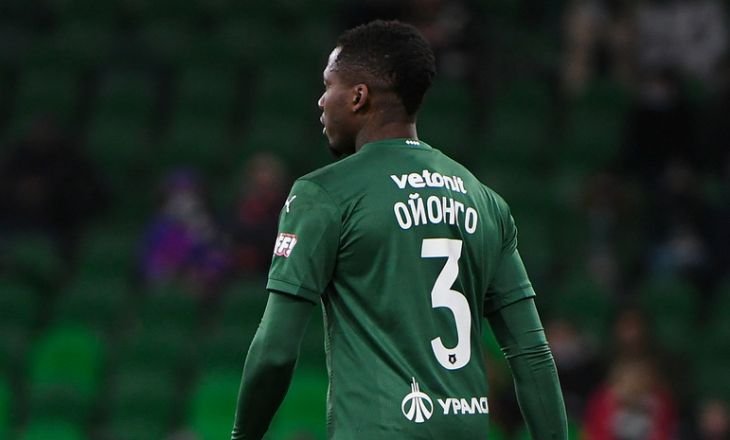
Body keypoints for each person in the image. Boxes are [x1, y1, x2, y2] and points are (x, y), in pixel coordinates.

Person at [231, 20, 567, 439]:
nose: (320, 101)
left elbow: (276, 352)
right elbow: (532, 354)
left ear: (358, 96)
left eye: (328, 85)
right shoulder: (484, 201)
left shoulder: (325, 195)